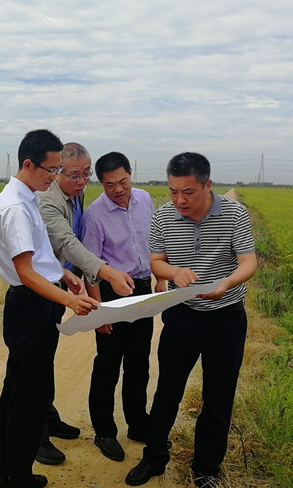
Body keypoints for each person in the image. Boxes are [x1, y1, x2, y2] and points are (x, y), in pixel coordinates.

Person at [125, 152, 257, 488]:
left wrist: (226, 283)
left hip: (226, 317)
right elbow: (157, 261)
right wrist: (174, 272)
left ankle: (206, 468)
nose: (179, 200)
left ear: (207, 185)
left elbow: (248, 262)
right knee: (167, 391)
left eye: (188, 192)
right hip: (181, 315)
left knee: (218, 396)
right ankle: (154, 457)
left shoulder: (234, 214)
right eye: (173, 191)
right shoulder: (163, 216)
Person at [0, 129, 99, 488]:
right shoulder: (16, 207)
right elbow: (25, 272)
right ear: (28, 164)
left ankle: (8, 471)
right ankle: (15, 476)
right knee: (25, 395)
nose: (54, 177)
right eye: (51, 170)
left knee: (23, 390)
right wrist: (70, 300)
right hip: (31, 304)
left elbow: (37, 257)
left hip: (38, 298)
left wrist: (62, 273)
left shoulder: (28, 198)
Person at [36, 142, 136, 465]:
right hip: (40, 289)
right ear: (57, 172)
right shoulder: (48, 201)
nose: (82, 182)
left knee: (47, 357)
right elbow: (67, 242)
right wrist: (106, 272)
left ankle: (48, 417)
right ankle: (37, 437)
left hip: (61, 282)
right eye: (74, 175)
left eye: (86, 174)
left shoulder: (75, 194)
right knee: (35, 363)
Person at [80, 152, 166, 463]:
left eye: (123, 181)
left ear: (131, 174)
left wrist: (160, 278)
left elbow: (155, 242)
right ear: (100, 183)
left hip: (141, 289)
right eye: (110, 185)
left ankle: (137, 423)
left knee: (139, 361)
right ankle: (104, 430)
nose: (118, 189)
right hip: (111, 293)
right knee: (108, 363)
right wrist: (99, 310)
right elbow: (90, 266)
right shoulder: (94, 215)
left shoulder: (144, 199)